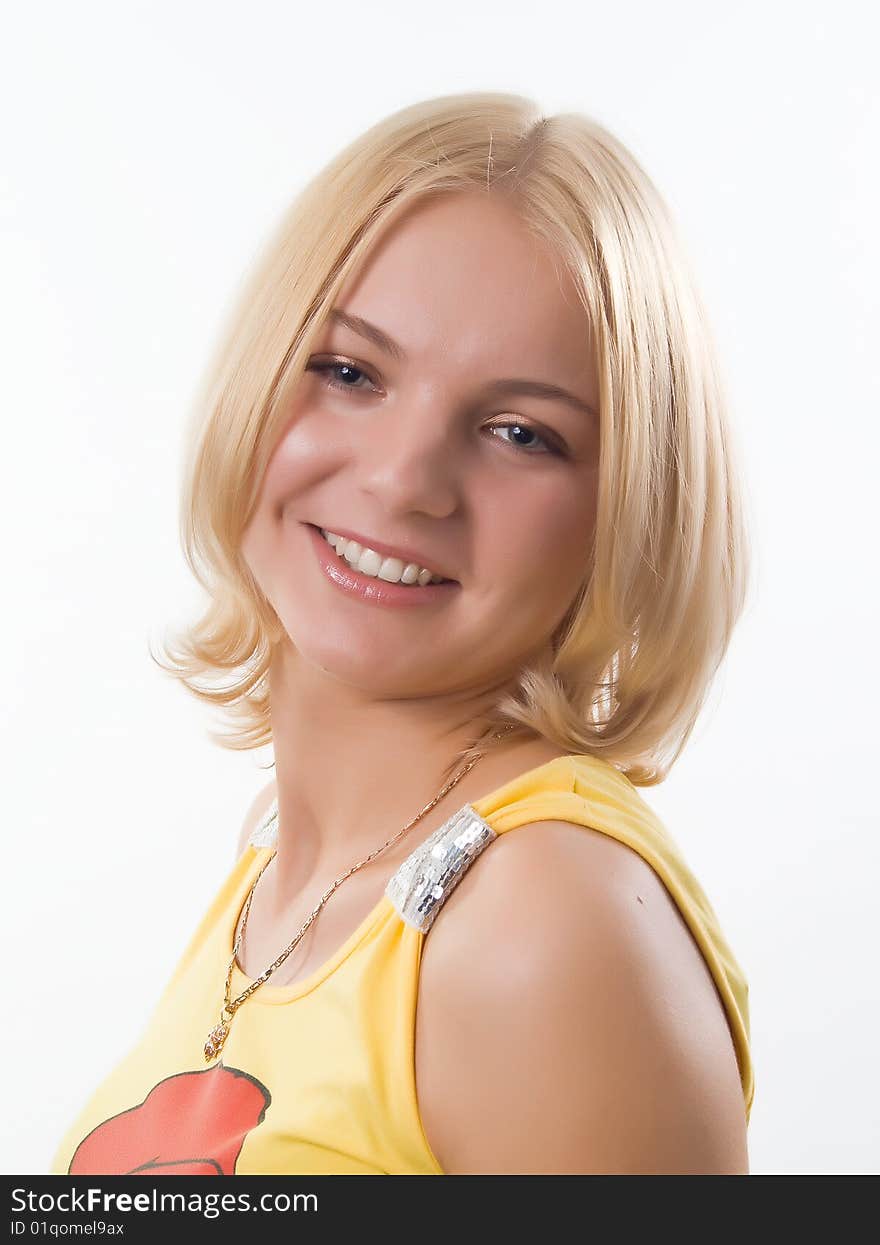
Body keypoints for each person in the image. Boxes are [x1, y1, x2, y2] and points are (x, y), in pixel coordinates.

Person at [50, 91, 755, 1176]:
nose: (403, 479)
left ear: (628, 508)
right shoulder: (279, 872)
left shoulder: (542, 925)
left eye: (522, 432)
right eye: (349, 372)